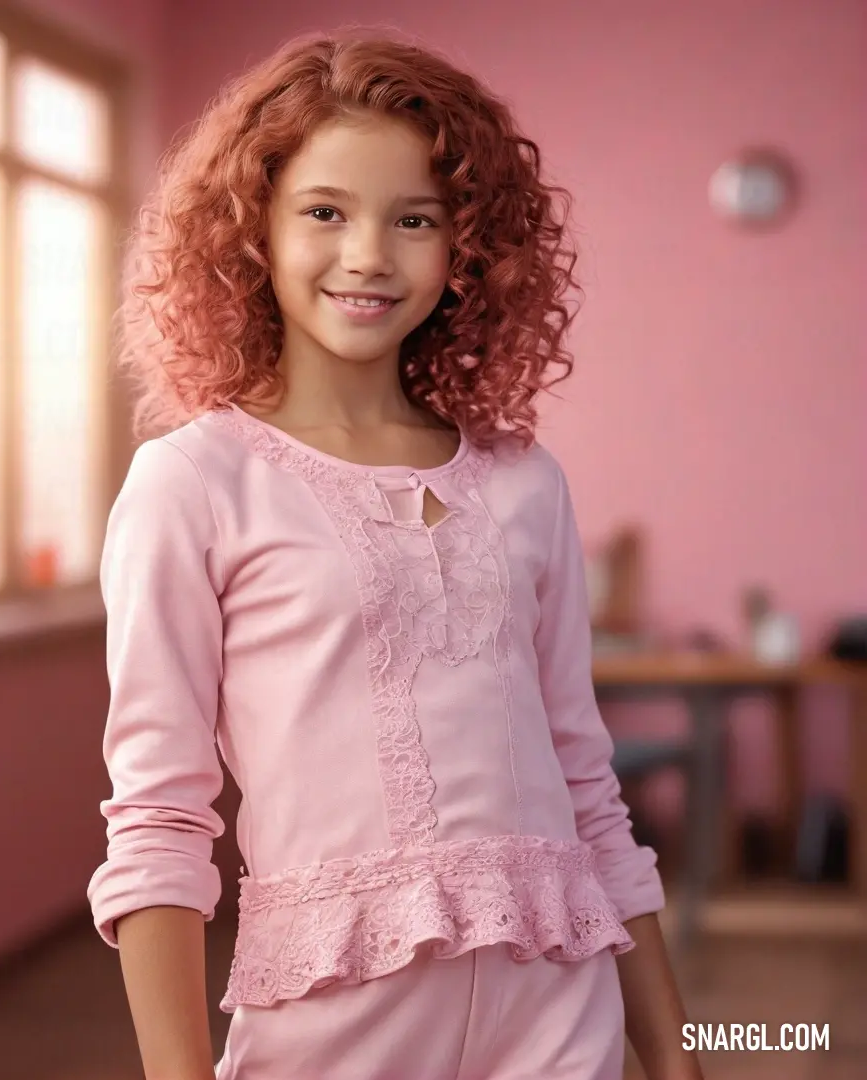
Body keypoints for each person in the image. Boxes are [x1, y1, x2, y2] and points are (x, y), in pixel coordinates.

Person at [88, 28, 703, 1080]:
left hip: (562, 1014)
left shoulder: (523, 482)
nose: (369, 253)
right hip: (330, 1025)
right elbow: (158, 820)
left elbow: (586, 785)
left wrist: (676, 1057)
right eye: (325, 211)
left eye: (414, 219)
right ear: (252, 233)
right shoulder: (195, 484)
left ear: (466, 248)